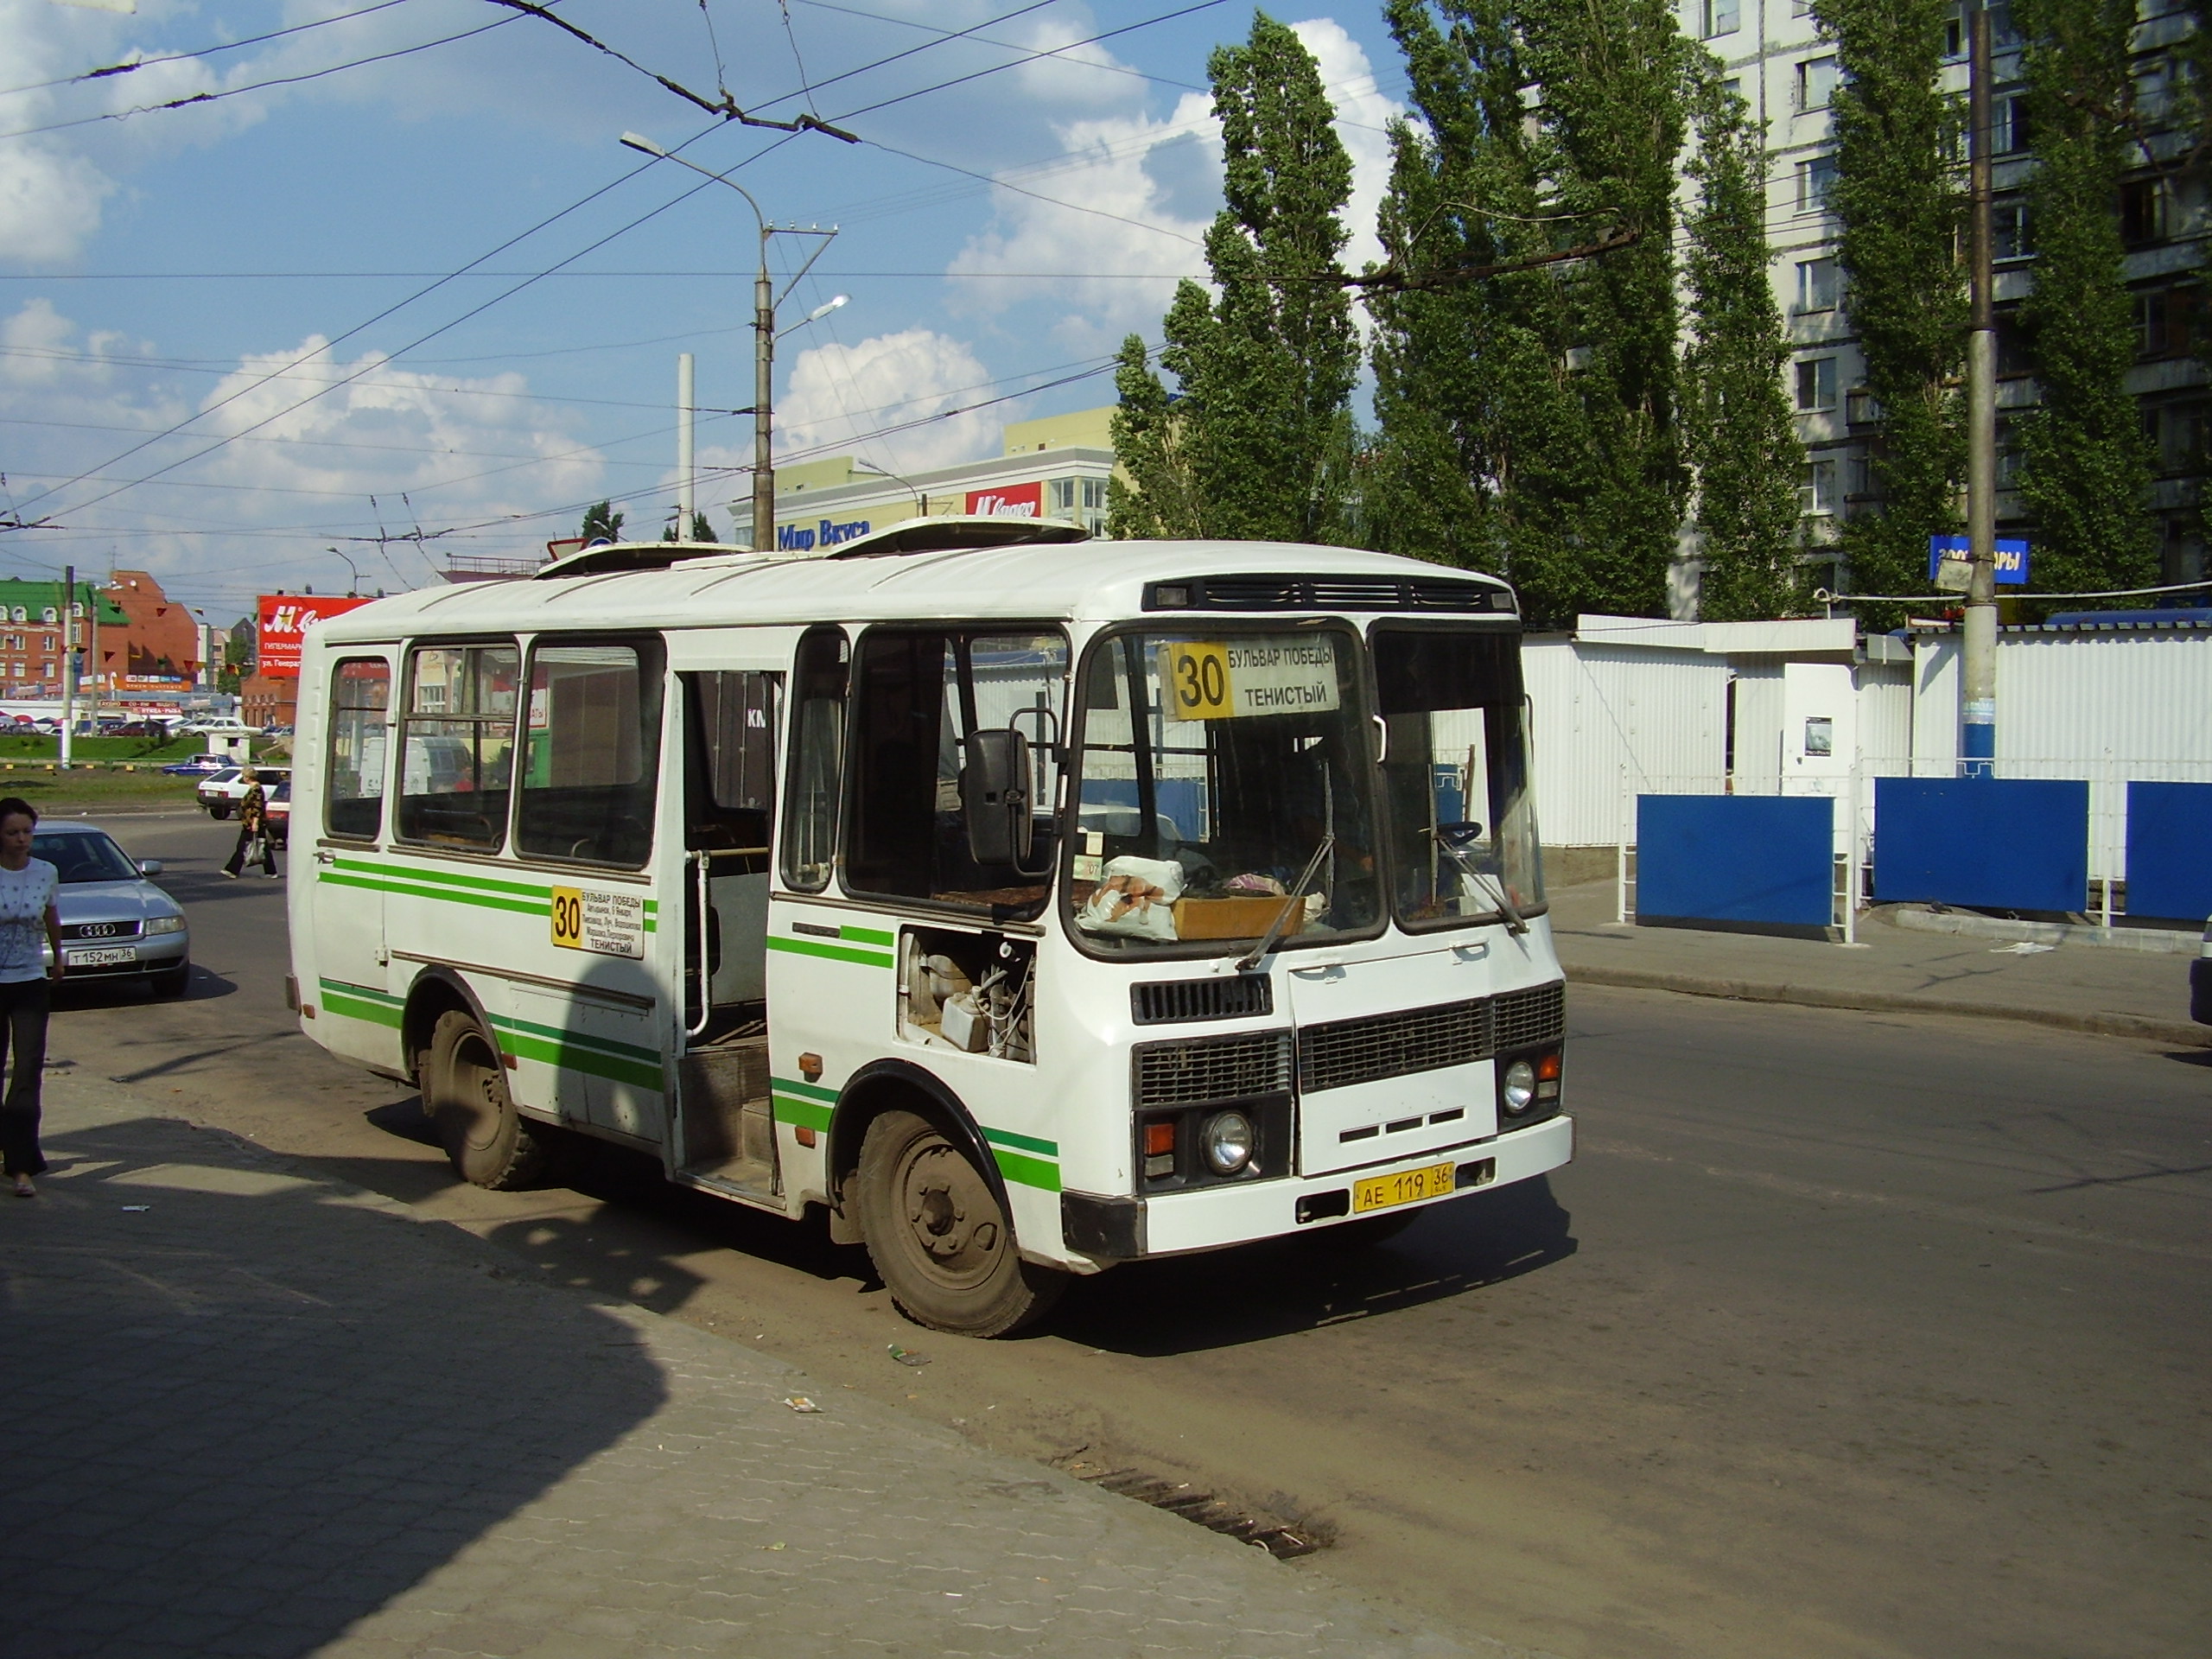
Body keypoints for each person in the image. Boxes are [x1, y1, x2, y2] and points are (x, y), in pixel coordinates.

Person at [0, 798, 61, 1197]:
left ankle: (21, 1165)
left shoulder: (46, 872)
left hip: (29, 980)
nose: (22, 840)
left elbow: (50, 915)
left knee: (27, 1073)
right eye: (12, 833)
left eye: (27, 832)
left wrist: (59, 956)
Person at [222, 767, 276, 878]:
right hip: (249, 822)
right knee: (262, 846)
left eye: (244, 776)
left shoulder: (256, 789)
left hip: (253, 823)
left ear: (248, 777)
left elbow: (257, 807)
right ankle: (270, 871)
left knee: (244, 846)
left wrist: (255, 823)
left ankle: (232, 870)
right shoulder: (253, 788)